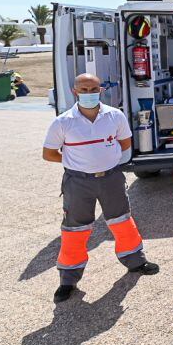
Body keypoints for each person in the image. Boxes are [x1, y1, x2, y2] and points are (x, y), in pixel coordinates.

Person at [42, 73, 159, 303]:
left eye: (93, 89)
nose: (88, 93)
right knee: (75, 229)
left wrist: (108, 163)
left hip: (111, 178)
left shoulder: (114, 116)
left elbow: (125, 144)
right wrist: (77, 163)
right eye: (83, 90)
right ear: (75, 91)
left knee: (122, 221)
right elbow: (49, 154)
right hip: (78, 182)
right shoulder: (63, 122)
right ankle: (68, 279)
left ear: (101, 90)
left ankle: (135, 261)